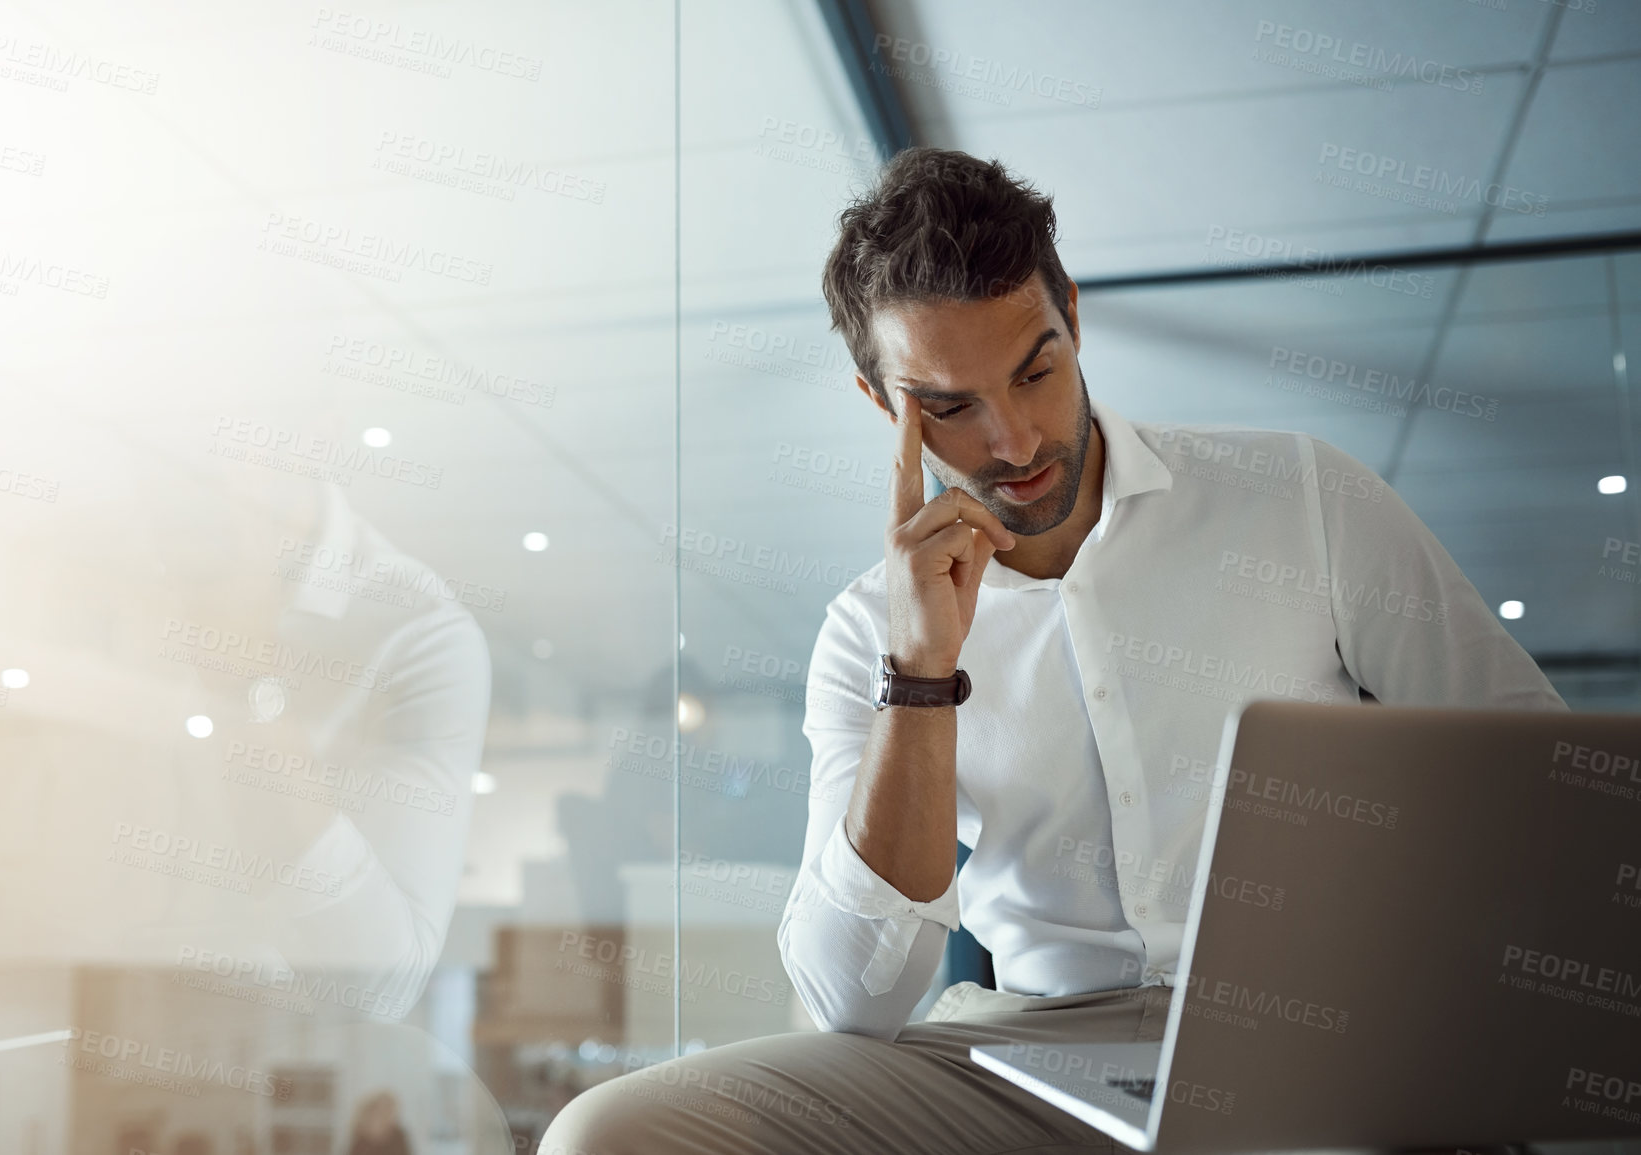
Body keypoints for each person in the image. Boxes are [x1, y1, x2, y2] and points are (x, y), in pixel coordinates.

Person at [538, 147, 1565, 1154]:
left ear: (1072, 314)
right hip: (1034, 1057)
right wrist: (921, 676)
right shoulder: (867, 630)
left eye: (1036, 371)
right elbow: (853, 999)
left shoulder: (1299, 495)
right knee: (615, 1132)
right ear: (881, 407)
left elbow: (1545, 781)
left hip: (1320, 1032)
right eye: (950, 407)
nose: (1018, 441)